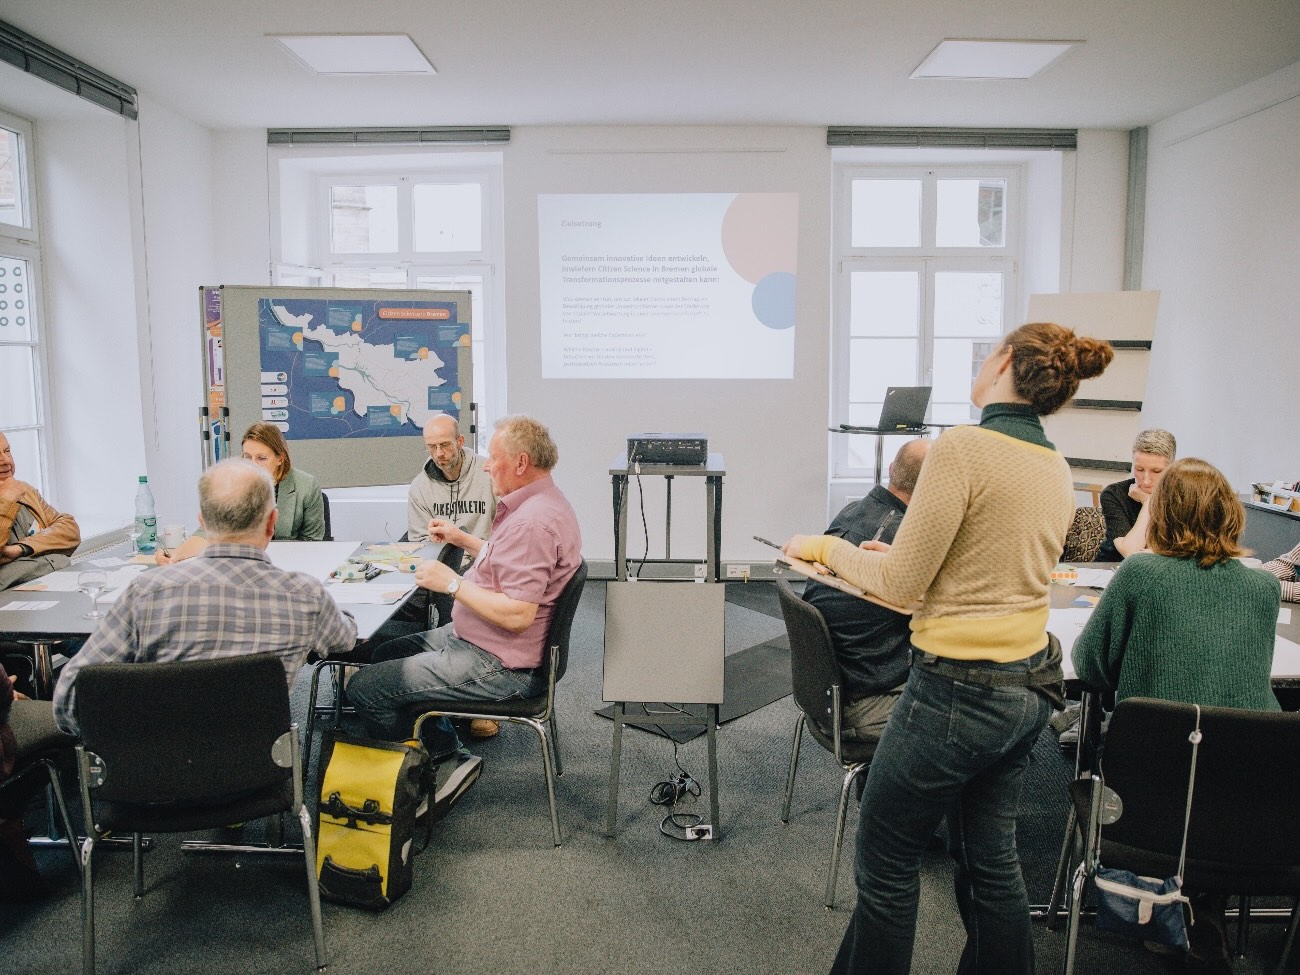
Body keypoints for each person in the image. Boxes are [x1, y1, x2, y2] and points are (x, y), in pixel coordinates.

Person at [784, 322, 1113, 975]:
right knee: (991, 865)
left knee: (885, 856)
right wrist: (901, 556)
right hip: (1028, 689)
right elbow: (985, 567)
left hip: (956, 693)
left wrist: (824, 547)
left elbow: (901, 589)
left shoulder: (963, 447)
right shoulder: (1055, 465)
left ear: (1004, 364)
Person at [1074, 458, 1279, 975]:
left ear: (1163, 513)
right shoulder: (1262, 588)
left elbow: (1089, 665)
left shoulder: (1142, 573)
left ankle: (1161, 906)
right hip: (1248, 791)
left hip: (1149, 785)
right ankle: (1203, 907)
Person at [348, 415, 582, 808]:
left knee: (365, 688)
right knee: (386, 654)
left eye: (494, 457)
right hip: (484, 641)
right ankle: (443, 748)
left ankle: (438, 766)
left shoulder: (532, 523)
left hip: (500, 663)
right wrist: (462, 540)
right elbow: (508, 560)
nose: (487, 465)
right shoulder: (545, 503)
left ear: (521, 463)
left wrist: (452, 583)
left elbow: (518, 615)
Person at [54, 458, 356, 736]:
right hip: (257, 776)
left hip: (149, 779)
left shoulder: (147, 591)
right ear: (271, 522)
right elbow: (344, 640)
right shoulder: (304, 594)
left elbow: (68, 701)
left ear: (203, 520)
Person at [801, 438, 929, 750]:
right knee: (976, 713)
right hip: (864, 705)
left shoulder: (852, 511)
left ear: (891, 470)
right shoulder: (908, 541)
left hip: (825, 692)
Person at [159, 421, 326, 563]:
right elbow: (208, 532)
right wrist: (175, 556)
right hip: (243, 563)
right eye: (247, 457)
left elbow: (313, 542)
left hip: (293, 563)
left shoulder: (306, 485)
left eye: (261, 458)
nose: (253, 464)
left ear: (280, 459)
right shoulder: (234, 483)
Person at [0, 431, 81, 590]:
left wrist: (20, 549)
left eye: (7, 451)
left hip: (48, 586)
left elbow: (69, 530)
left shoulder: (25, 490)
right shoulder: (13, 493)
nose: (6, 461)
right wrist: (7, 500)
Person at [407, 413, 495, 546]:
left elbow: (510, 529)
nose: (439, 454)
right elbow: (419, 543)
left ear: (460, 442)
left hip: (485, 558)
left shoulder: (489, 474)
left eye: (444, 445)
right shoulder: (420, 488)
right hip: (442, 561)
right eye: (432, 446)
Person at [1097, 428, 1177, 561]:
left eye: (1156, 471)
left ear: (1172, 468)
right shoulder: (1114, 494)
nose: (1145, 480)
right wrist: (1148, 503)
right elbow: (1130, 552)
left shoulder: (1184, 494)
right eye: (1139, 469)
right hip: (1113, 569)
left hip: (1165, 571)